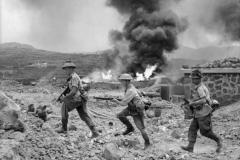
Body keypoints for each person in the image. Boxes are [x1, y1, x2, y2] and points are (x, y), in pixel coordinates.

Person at [181, 69, 222, 153]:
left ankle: (218, 141)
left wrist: (192, 103)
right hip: (198, 113)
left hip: (203, 113)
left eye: (194, 78)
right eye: (192, 78)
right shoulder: (199, 87)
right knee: (192, 129)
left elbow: (203, 100)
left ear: (199, 79)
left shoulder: (200, 88)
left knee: (205, 132)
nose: (192, 80)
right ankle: (190, 147)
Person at [55, 61, 99, 138]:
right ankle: (94, 132)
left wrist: (64, 98)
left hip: (78, 98)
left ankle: (64, 129)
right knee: (84, 115)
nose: (65, 71)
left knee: (64, 107)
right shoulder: (72, 77)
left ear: (71, 69)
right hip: (81, 98)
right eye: (65, 69)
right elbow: (70, 89)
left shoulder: (74, 77)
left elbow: (73, 91)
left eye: (67, 69)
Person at [112, 73, 150, 149]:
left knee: (141, 128)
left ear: (127, 81)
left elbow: (123, 103)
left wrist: (115, 101)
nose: (121, 82)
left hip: (137, 111)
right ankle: (130, 128)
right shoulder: (130, 87)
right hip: (131, 108)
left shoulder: (130, 90)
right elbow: (128, 99)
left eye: (122, 81)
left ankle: (147, 143)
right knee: (120, 115)